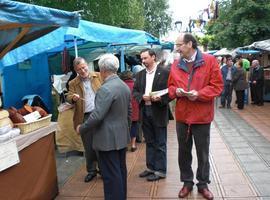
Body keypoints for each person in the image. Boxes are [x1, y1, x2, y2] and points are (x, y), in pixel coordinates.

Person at [168, 33, 223, 200]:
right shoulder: (176, 64)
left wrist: (198, 94)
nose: (177, 48)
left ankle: (203, 184)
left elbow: (217, 86)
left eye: (179, 45)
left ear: (190, 44)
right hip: (183, 116)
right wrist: (175, 91)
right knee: (184, 152)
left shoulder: (209, 61)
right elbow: (170, 87)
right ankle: (187, 182)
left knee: (203, 152)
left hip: (202, 116)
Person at [77, 54, 131, 200]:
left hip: (107, 140)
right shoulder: (123, 85)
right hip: (120, 136)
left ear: (102, 70)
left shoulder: (105, 89)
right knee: (120, 171)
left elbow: (97, 116)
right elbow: (129, 113)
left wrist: (82, 128)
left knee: (111, 176)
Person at [133, 48, 170, 181]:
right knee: (149, 141)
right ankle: (151, 167)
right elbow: (135, 92)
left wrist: (160, 99)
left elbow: (170, 92)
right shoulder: (140, 74)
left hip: (158, 111)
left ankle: (160, 171)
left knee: (160, 142)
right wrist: (142, 97)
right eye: (141, 59)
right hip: (145, 111)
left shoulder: (165, 72)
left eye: (145, 58)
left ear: (153, 57)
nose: (143, 61)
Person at [66, 57, 102, 182]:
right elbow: (68, 96)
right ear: (76, 70)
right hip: (84, 116)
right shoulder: (73, 83)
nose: (82, 70)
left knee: (102, 143)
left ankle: (103, 169)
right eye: (79, 69)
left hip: (100, 113)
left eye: (83, 67)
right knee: (88, 146)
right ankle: (91, 170)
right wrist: (72, 98)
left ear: (87, 65)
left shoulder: (99, 76)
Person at [120, 70, 139, 152]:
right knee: (134, 126)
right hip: (135, 110)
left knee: (124, 127)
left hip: (124, 110)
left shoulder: (120, 86)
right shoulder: (136, 85)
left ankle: (124, 145)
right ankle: (133, 145)